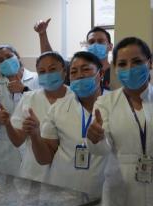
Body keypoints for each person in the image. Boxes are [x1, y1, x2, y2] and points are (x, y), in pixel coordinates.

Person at [86, 37, 153, 206]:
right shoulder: (105, 102)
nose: (129, 68)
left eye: (137, 61)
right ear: (115, 68)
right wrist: (95, 138)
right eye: (122, 63)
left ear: (150, 63)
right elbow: (102, 149)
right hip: (120, 196)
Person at [29, 51, 107, 196]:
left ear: (100, 74)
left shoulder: (116, 105)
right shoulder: (58, 108)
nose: (80, 75)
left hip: (103, 192)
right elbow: (44, 159)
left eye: (86, 69)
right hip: (62, 190)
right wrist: (35, 135)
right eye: (74, 72)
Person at [0, 51, 73, 182]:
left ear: (64, 71)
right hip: (33, 173)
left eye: (53, 69)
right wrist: (8, 124)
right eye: (42, 71)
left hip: (67, 173)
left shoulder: (75, 98)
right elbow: (17, 141)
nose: (47, 74)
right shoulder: (29, 98)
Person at [0, 45, 41, 176]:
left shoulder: (37, 80)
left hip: (33, 146)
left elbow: (46, 108)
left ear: (18, 57)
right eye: (0, 60)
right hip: (5, 153)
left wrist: (24, 90)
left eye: (9, 57)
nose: (5, 61)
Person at [34, 19, 113, 89]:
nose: (95, 45)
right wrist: (42, 34)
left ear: (110, 46)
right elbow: (50, 60)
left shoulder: (115, 73)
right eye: (91, 42)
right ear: (87, 46)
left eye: (100, 41)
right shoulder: (74, 69)